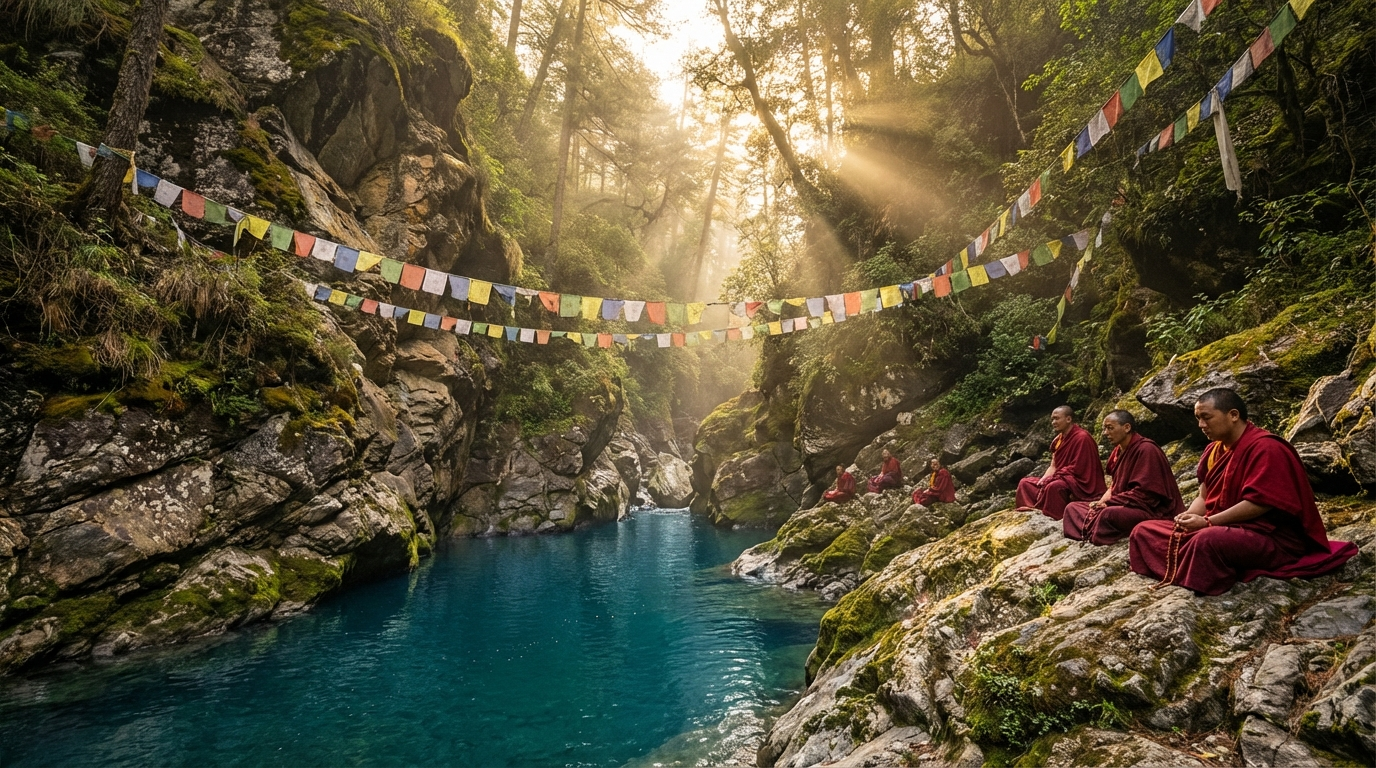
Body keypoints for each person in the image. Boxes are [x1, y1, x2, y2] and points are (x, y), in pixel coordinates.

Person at [1128, 388, 1358, 596]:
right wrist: (1187, 518)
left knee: (1207, 541)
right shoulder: (1213, 451)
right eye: (1198, 418)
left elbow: (1261, 503)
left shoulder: (1267, 448)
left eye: (1206, 417)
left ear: (1233, 415)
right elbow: (1204, 496)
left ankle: (1197, 566)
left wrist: (1208, 523)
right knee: (1142, 530)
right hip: (1223, 528)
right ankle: (1193, 562)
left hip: (1269, 538)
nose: (1201, 425)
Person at [1063, 410, 1184, 544]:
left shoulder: (1146, 449)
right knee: (1072, 508)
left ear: (1127, 427)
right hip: (1122, 504)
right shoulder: (1118, 451)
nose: (1105, 433)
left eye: (1110, 428)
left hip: (1148, 510)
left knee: (1108, 514)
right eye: (1105, 429)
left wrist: (1110, 503)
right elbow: (1114, 485)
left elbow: (1147, 495)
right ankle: (1095, 528)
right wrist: (1100, 503)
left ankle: (1093, 528)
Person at [1016, 406, 1107, 520]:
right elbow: (1054, 465)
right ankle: (1032, 509)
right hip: (1062, 477)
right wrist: (1043, 480)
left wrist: (1056, 478)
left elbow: (1080, 468)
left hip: (1080, 482)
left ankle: (1054, 516)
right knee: (1025, 483)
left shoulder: (1082, 437)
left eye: (1057, 419)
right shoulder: (1058, 440)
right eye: (1052, 419)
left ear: (1068, 419)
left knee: (1054, 486)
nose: (1053, 422)